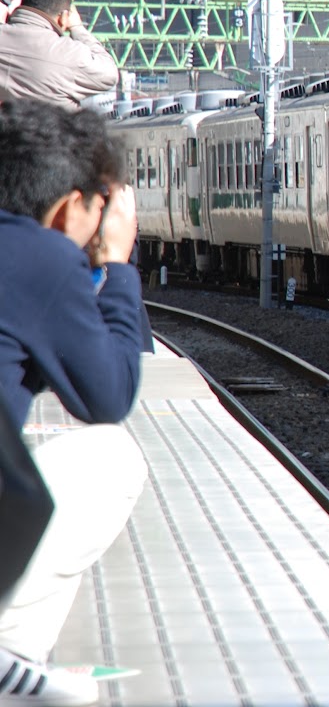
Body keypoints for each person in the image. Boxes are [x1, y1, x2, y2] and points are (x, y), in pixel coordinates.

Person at [0, 100, 148, 707]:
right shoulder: (42, 257)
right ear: (68, 207)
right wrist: (115, 265)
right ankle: (9, 653)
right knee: (112, 457)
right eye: (99, 208)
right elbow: (105, 398)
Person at [0, 0, 119, 108]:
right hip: (53, 127)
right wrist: (77, 28)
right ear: (63, 17)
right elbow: (109, 75)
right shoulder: (70, 53)